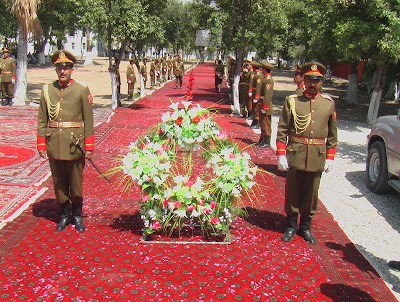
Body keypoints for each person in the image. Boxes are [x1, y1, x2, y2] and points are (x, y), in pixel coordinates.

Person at [276, 62, 338, 244]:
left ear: (321, 82)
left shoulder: (328, 104)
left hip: (317, 156)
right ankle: (291, 225)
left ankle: (306, 226)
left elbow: (333, 134)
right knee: (293, 191)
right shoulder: (293, 101)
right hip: (296, 154)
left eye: (317, 80)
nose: (313, 83)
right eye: (310, 79)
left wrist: (330, 157)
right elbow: (282, 130)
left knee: (312, 193)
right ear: (304, 80)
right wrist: (281, 153)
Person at [37, 50, 94, 233]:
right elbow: (42, 118)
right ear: (56, 70)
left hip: (74, 144)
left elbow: (89, 120)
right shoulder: (47, 90)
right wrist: (41, 143)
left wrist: (89, 146)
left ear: (71, 69)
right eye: (59, 68)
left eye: (66, 68)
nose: (63, 71)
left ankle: (77, 215)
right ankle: (64, 214)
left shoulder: (81, 89)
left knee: (75, 184)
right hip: (55, 144)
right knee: (59, 182)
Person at [257, 59, 274, 148]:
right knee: (262, 123)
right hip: (261, 104)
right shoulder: (265, 79)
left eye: (262, 69)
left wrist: (265, 107)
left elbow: (268, 96)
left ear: (264, 69)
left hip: (265, 106)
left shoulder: (268, 80)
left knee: (266, 124)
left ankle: (267, 141)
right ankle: (263, 139)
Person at [248, 61, 262, 129]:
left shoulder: (258, 75)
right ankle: (255, 121)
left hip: (256, 94)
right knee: (254, 109)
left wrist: (256, 97)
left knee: (256, 110)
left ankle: (257, 122)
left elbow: (258, 87)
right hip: (254, 93)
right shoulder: (256, 74)